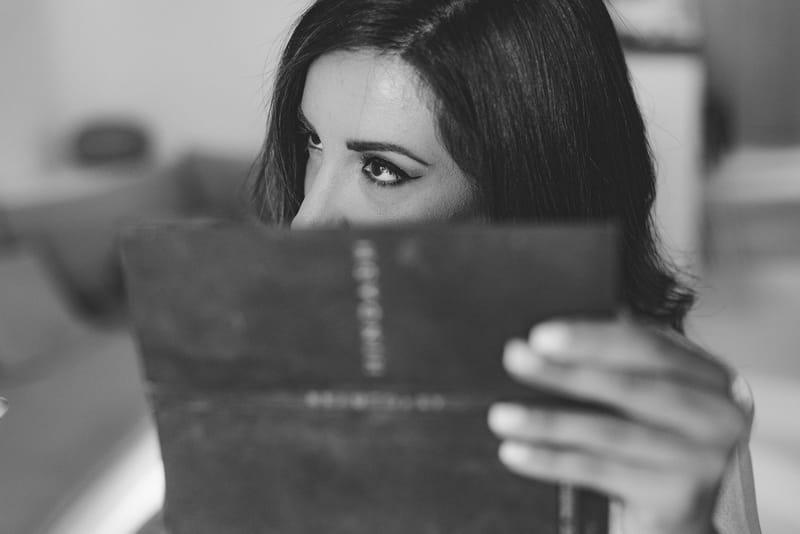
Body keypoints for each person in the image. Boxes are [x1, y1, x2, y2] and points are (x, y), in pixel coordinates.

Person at [247, 1, 762, 533]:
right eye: (312, 140)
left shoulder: (659, 421)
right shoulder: (258, 355)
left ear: (516, 193)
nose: (306, 223)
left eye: (381, 169)